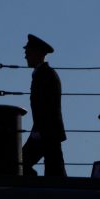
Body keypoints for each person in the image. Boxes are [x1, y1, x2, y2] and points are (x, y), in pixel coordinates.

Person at [21, 33, 67, 177]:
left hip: (46, 131)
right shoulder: (44, 74)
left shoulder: (46, 75)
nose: (25, 57)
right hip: (46, 131)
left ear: (36, 53)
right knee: (55, 170)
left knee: (22, 163)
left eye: (28, 53)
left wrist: (38, 131)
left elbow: (47, 107)